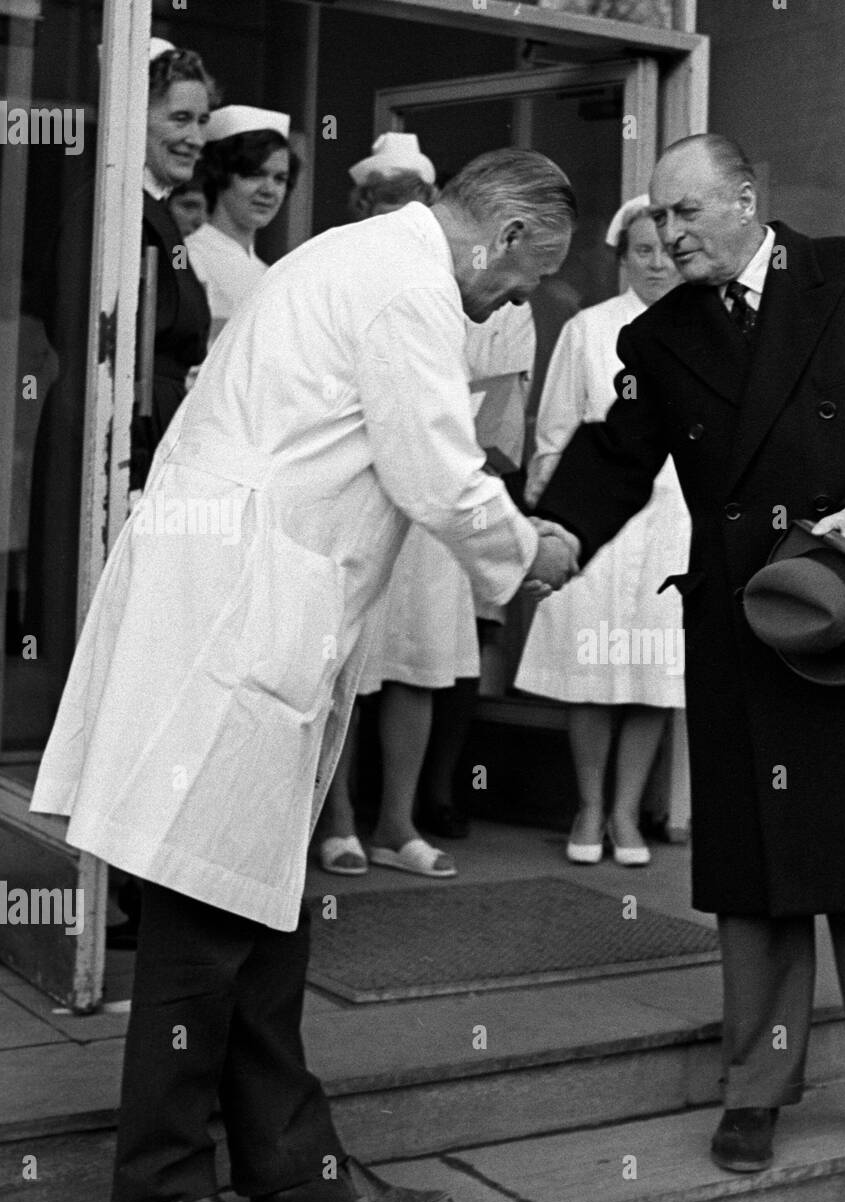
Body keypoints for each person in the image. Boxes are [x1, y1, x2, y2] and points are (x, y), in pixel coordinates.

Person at [30, 149, 579, 1202]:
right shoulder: (408, 284)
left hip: (251, 599)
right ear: (507, 232)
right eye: (522, 282)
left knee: (263, 903)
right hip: (235, 613)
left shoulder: (363, 259)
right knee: (200, 914)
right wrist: (530, 551)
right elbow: (434, 471)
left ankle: (289, 1159)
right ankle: (165, 1191)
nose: (511, 305)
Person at [535, 134, 845, 1175]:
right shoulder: (660, 341)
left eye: (686, 212)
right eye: (658, 216)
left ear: (745, 198)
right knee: (760, 873)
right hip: (752, 623)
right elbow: (614, 458)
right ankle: (755, 1089)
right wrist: (543, 541)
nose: (667, 233)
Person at [29, 37, 214, 947]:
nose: (193, 137)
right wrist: (130, 471)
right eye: (178, 118)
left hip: (153, 467)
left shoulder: (155, 220)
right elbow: (100, 350)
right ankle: (103, 892)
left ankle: (136, 885)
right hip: (113, 465)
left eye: (200, 123)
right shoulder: (106, 217)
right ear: (131, 117)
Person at [315, 135, 537, 877]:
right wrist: (535, 554)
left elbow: (498, 421)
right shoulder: (381, 279)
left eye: (412, 188)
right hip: (383, 498)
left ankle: (397, 822)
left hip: (446, 508)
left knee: (418, 660)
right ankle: (336, 819)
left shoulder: (498, 295)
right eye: (385, 192)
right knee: (350, 659)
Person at [517, 194, 688, 867]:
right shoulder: (589, 329)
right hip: (598, 517)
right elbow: (557, 431)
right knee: (592, 666)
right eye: (641, 251)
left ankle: (626, 811)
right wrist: (554, 520)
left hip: (677, 520)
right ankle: (589, 804)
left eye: (666, 250)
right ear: (623, 258)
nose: (655, 263)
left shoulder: (707, 327)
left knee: (653, 671)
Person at [186, 105, 297, 348]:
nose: (269, 190)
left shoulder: (268, 271)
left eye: (280, 179)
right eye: (254, 174)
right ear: (220, 175)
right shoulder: (193, 258)